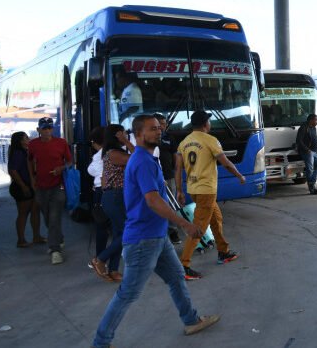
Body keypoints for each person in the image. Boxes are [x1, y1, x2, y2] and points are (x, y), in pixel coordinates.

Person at [92, 115, 220, 347]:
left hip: (157, 236)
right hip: (143, 240)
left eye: (159, 128)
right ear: (139, 134)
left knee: (176, 277)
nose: (158, 131)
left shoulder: (145, 158)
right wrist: (185, 224)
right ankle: (101, 342)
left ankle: (191, 320)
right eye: (152, 129)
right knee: (128, 293)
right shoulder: (141, 161)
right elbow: (152, 200)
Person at [176, 110, 245, 280]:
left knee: (216, 218)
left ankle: (223, 252)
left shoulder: (184, 143)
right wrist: (239, 175)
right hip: (206, 189)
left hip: (194, 189)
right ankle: (183, 265)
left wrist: (179, 190)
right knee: (198, 227)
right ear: (205, 123)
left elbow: (178, 169)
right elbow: (226, 162)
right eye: (209, 120)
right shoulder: (210, 140)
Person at [90, 124, 134, 282]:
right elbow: (138, 159)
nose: (127, 135)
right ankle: (100, 259)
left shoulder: (112, 153)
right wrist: (127, 142)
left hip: (117, 196)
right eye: (123, 133)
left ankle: (113, 270)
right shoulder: (114, 153)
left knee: (118, 234)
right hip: (115, 196)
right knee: (129, 232)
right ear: (116, 136)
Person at [27, 117, 72, 265]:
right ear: (38, 130)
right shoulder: (33, 145)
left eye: (49, 128)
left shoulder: (61, 143)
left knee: (54, 216)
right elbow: (30, 160)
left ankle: (55, 250)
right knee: (47, 216)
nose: (47, 131)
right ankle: (58, 238)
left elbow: (70, 161)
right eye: (44, 128)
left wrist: (62, 168)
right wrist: (32, 179)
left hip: (58, 186)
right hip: (40, 186)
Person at [7, 131, 44, 248]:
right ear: (20, 141)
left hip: (29, 185)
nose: (29, 139)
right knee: (23, 213)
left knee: (34, 211)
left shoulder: (24, 152)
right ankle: (21, 240)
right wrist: (23, 186)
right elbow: (13, 171)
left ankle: (36, 236)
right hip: (22, 187)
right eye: (26, 138)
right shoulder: (18, 153)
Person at [154, 113, 181, 245]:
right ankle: (159, 232)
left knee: (171, 204)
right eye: (161, 124)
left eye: (165, 124)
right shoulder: (149, 139)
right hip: (153, 178)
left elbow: (175, 157)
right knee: (155, 205)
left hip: (168, 177)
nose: (164, 126)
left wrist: (176, 173)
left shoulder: (169, 138)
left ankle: (173, 231)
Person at [87, 127, 109, 267]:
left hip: (102, 191)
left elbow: (95, 172)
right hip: (111, 190)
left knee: (102, 226)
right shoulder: (117, 152)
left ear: (94, 142)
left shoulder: (101, 156)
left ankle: (100, 258)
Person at [296, 114, 317, 195]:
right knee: (310, 169)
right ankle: (312, 189)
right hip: (307, 152)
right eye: (316, 120)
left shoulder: (313, 127)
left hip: (315, 151)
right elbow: (299, 141)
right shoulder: (303, 127)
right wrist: (307, 149)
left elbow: (316, 139)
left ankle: (311, 182)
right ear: (310, 120)